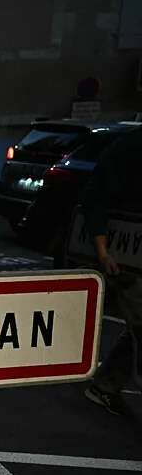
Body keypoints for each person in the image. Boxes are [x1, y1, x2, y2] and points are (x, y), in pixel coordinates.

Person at [81, 128, 142, 418]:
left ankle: (105, 386)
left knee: (137, 329)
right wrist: (103, 250)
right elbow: (97, 195)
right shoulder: (131, 145)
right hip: (127, 258)